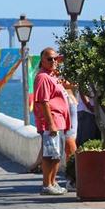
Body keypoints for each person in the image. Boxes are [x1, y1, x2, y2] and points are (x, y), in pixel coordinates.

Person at [33, 47, 70, 195]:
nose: (53, 61)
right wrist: (51, 124)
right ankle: (47, 184)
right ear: (42, 61)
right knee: (50, 155)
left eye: (55, 58)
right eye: (49, 59)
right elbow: (43, 102)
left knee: (57, 154)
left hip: (59, 120)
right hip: (52, 121)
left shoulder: (52, 76)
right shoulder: (43, 77)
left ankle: (53, 182)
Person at [62, 82, 79, 192]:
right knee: (70, 147)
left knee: (72, 145)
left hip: (71, 102)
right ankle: (72, 179)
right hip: (67, 107)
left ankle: (73, 178)